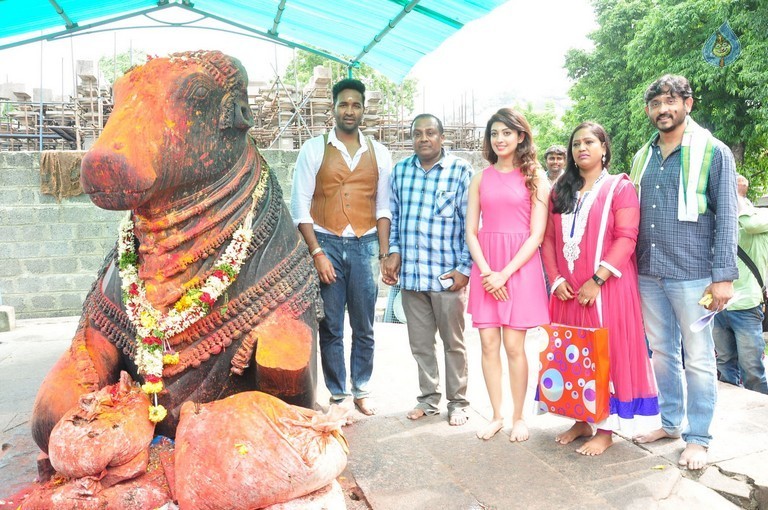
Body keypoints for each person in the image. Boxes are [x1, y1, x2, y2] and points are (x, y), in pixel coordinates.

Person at [630, 74, 738, 470]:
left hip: (694, 273)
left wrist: (723, 276)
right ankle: (670, 423)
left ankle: (699, 438)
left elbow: (727, 217)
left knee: (698, 357)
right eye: (656, 103)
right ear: (648, 111)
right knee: (661, 354)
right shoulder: (643, 156)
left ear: (688, 104)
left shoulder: (714, 151)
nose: (663, 109)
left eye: (671, 101)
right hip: (649, 272)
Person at [541, 122, 661, 456]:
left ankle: (606, 429)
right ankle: (580, 419)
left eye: (590, 142)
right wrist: (557, 279)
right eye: (576, 143)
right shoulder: (560, 189)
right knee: (573, 354)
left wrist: (597, 280)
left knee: (603, 354)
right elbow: (549, 240)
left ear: (604, 147)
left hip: (604, 290)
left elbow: (627, 237)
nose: (582, 148)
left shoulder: (618, 188)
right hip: (568, 291)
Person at [290, 78, 392, 416]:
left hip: (365, 246)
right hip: (327, 243)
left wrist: (383, 251)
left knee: (364, 325)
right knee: (331, 325)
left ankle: (362, 387)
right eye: (343, 104)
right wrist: (317, 252)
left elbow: (383, 207)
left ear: (364, 109)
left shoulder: (380, 153)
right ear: (333, 108)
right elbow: (300, 205)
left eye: (356, 105)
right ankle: (338, 394)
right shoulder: (314, 148)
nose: (350, 110)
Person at [382, 113, 474, 426]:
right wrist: (392, 252)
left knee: (453, 345)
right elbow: (393, 220)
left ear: (442, 137)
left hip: (447, 277)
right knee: (421, 345)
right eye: (418, 133)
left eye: (430, 132)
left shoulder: (460, 171)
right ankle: (428, 400)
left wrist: (465, 269)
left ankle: (459, 402)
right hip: (411, 277)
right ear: (411, 138)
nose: (424, 138)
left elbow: (472, 225)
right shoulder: (400, 172)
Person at [465, 108, 550, 442]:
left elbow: (537, 235)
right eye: (494, 133)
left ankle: (519, 416)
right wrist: (487, 273)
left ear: (520, 137)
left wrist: (504, 274)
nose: (499, 139)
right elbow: (471, 230)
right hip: (486, 266)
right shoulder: (480, 178)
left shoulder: (536, 178)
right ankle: (497, 415)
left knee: (515, 345)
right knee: (488, 343)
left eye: (506, 133)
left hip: (520, 267)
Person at [712, 175, 768, 394]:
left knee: (752, 368)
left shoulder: (760, 216)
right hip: (719, 305)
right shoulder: (720, 220)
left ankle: (759, 415)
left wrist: (736, 195)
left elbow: (750, 224)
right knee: (724, 364)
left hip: (746, 305)